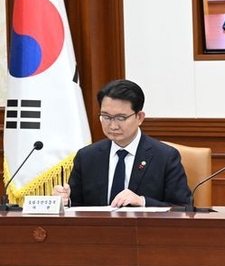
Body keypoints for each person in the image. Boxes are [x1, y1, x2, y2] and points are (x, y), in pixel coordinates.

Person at [53, 79, 191, 207]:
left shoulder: (165, 157)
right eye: (106, 117)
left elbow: (183, 208)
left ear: (139, 117)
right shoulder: (87, 157)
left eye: (121, 118)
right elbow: (77, 205)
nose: (113, 126)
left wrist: (142, 202)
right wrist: (64, 201)